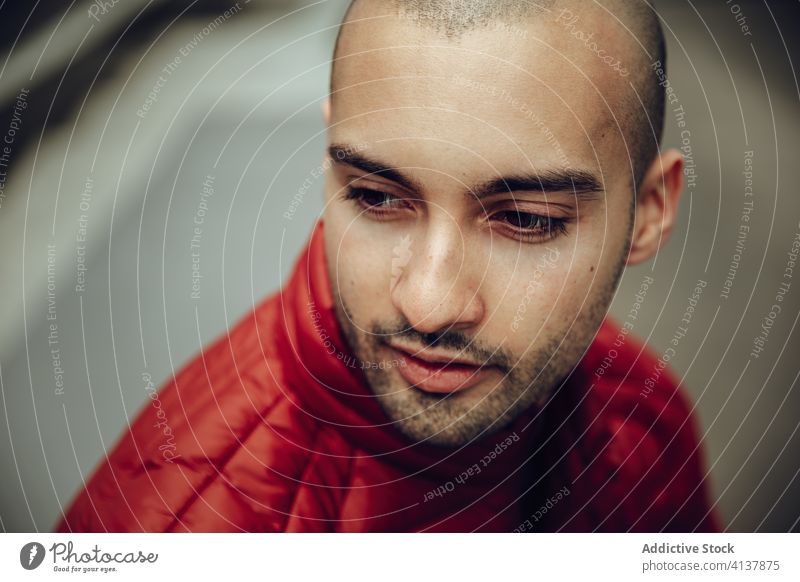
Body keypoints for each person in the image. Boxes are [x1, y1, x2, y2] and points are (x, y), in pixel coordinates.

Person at [57, 0, 721, 532]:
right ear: (330, 161)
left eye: (526, 218)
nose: (428, 304)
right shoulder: (180, 526)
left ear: (651, 213)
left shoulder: (640, 414)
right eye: (376, 197)